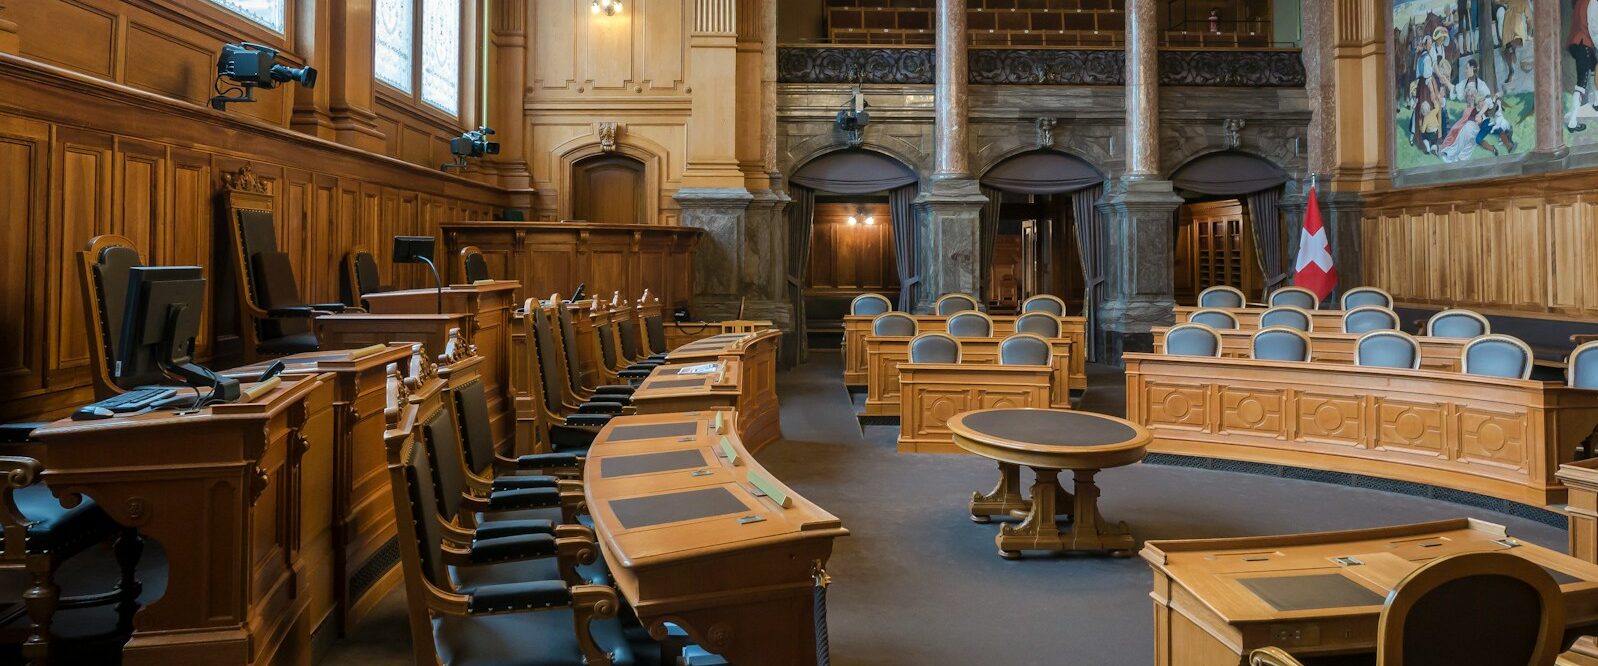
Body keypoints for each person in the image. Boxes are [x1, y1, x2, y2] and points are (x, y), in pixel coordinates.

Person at [1569, 0, 1598, 133]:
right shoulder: (1592, 2)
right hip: (1584, 42)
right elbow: (1594, 27)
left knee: (1594, 67)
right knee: (1582, 83)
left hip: (1575, 43)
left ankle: (1597, 102)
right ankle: (1572, 122)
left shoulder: (1579, 2)